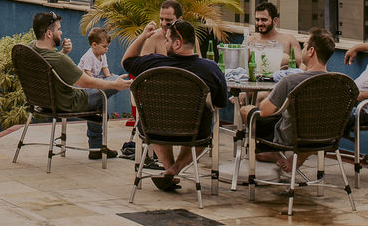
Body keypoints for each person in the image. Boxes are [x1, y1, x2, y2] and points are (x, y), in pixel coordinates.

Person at [122, 19, 228, 191]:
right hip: (195, 134)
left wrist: (143, 36)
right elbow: (219, 104)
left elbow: (126, 61)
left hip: (154, 130)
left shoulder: (153, 63)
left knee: (152, 118)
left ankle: (170, 169)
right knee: (206, 120)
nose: (164, 42)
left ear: (177, 44)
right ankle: (174, 169)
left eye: (167, 40)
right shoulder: (211, 69)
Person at [31, 12, 131, 160]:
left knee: (100, 94)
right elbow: (86, 82)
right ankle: (97, 146)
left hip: (44, 101)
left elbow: (52, 64)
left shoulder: (30, 48)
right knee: (113, 79)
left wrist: (64, 52)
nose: (62, 32)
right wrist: (114, 84)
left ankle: (96, 147)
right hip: (70, 103)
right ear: (49, 33)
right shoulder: (59, 60)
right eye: (59, 29)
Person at [240, 27, 335, 173]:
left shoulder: (291, 80)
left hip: (290, 136)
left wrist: (273, 96)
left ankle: (272, 151)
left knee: (247, 110)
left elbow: (265, 111)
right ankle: (298, 157)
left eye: (304, 46)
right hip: (326, 135)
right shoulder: (339, 82)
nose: (302, 50)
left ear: (311, 52)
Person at [244, 1, 302, 69]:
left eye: (264, 20)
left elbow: (302, 64)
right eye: (257, 20)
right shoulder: (249, 41)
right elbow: (242, 67)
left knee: (284, 58)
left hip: (283, 78)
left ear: (275, 20)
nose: (260, 23)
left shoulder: (289, 39)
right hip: (257, 78)